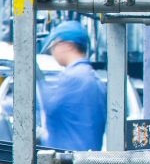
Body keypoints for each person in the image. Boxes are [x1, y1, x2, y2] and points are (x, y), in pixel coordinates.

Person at [37, 21, 105, 153]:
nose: (52, 53)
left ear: (67, 45)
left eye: (53, 46)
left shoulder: (74, 76)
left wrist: (38, 80)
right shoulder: (92, 77)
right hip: (86, 161)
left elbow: (49, 107)